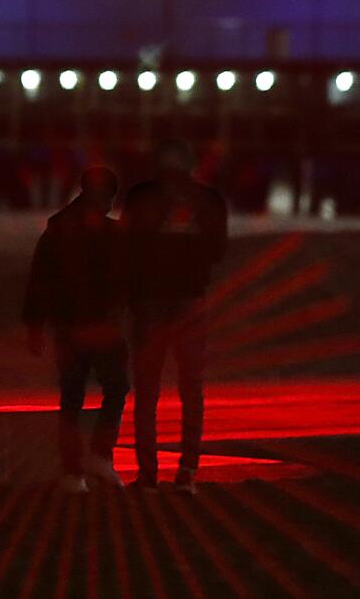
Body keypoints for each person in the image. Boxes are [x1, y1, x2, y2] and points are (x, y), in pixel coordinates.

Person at [124, 138, 228, 493]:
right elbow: (217, 250)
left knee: (148, 391)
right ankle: (186, 471)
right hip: (188, 299)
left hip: (153, 302)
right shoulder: (208, 201)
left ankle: (149, 473)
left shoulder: (141, 198)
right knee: (190, 388)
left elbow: (127, 248)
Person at [23, 166, 129, 493]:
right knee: (116, 387)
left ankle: (72, 472)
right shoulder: (112, 234)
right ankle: (99, 455)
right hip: (101, 326)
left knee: (71, 398)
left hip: (67, 327)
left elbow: (39, 280)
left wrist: (35, 326)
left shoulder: (57, 229)